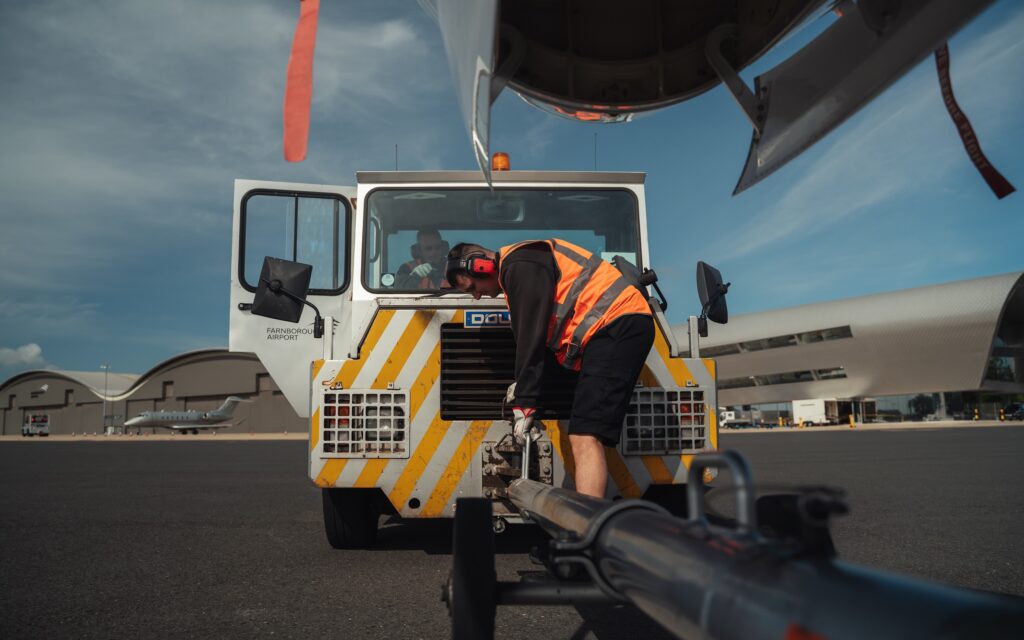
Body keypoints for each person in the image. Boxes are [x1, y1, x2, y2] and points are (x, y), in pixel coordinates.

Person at [444, 239, 654, 498]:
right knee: (584, 434)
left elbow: (530, 337)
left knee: (585, 436)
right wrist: (523, 385)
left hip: (616, 326)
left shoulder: (521, 264)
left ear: (482, 266)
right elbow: (544, 341)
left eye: (473, 287)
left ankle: (588, 526)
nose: (476, 295)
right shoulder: (523, 266)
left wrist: (526, 401)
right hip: (611, 329)